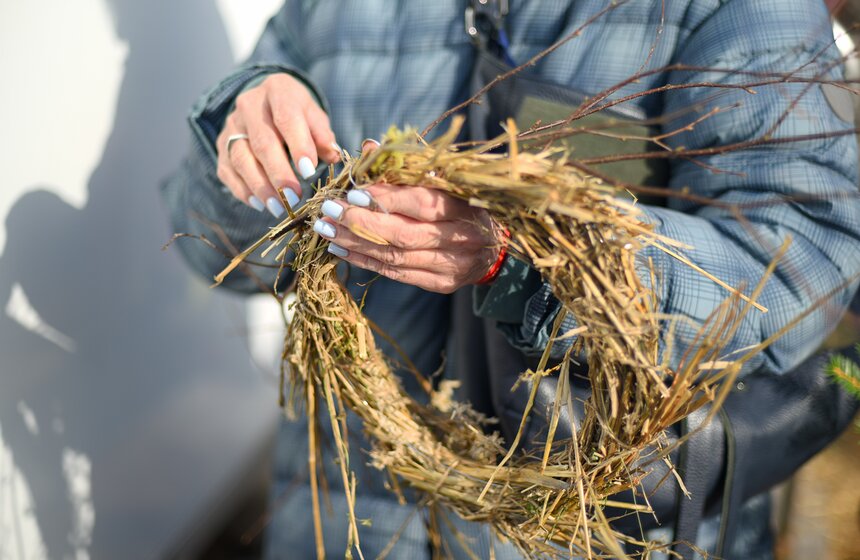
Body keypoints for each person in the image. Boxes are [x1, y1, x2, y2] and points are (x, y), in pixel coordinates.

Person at [162, 1, 860, 558]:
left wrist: (524, 262)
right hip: (348, 520)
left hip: (596, 530)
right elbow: (212, 253)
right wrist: (244, 154)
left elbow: (804, 266)